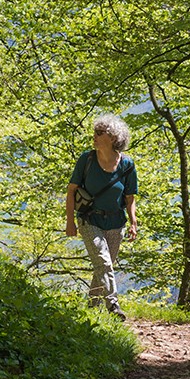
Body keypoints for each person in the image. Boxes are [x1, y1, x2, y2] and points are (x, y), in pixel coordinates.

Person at [66, 114, 138, 318]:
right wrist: (70, 221)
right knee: (104, 263)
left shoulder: (127, 164)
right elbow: (71, 191)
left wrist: (133, 222)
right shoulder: (86, 159)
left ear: (113, 138)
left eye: (100, 133)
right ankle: (113, 305)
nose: (94, 136)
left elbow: (130, 196)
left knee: (103, 267)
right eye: (94, 132)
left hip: (116, 222)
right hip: (89, 220)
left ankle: (92, 308)